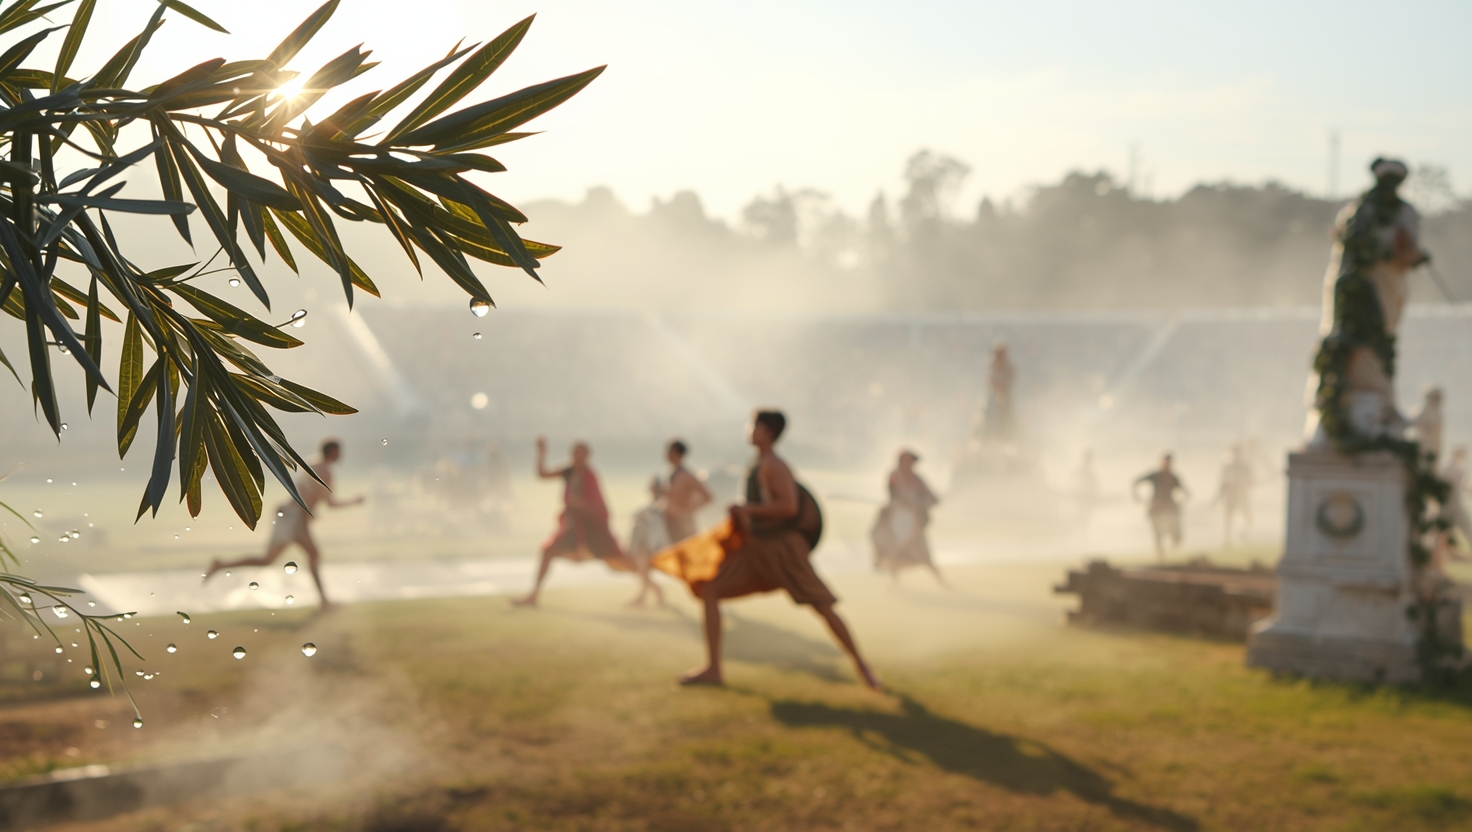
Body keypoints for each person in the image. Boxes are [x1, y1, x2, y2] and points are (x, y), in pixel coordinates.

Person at [674, 410, 880, 690]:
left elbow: (789, 507)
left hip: (783, 549)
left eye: (754, 426)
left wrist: (746, 508)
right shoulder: (758, 463)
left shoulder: (774, 465)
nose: (749, 430)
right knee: (711, 588)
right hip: (758, 548)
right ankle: (713, 668)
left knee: (822, 605)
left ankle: (862, 665)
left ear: (767, 432)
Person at [1308, 157, 1430, 443]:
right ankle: (1366, 396)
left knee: (1361, 335)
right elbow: (1405, 251)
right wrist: (1417, 256)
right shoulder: (1395, 211)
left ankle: (1358, 394)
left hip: (1361, 285)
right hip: (1373, 286)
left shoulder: (1357, 210)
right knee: (1372, 335)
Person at [204, 439, 364, 609]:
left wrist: (310, 510)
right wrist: (355, 501)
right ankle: (324, 602)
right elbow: (330, 504)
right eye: (339, 451)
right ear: (332, 452)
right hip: (294, 519)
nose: (341, 455)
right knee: (312, 555)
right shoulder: (325, 471)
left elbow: (307, 493)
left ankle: (221, 565)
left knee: (271, 560)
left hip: (290, 516)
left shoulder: (312, 463)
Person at [514, 437, 632, 607]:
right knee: (548, 551)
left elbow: (597, 506)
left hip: (591, 530)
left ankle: (647, 580)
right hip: (573, 528)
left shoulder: (589, 475)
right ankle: (533, 596)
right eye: (574, 452)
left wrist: (577, 503)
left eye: (580, 453)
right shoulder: (569, 471)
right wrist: (541, 453)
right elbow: (542, 474)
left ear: (587, 456)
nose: (576, 456)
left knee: (617, 561)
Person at [871, 450, 944, 586]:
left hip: (914, 522)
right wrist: (905, 503)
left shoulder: (917, 479)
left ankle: (941, 581)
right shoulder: (894, 476)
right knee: (892, 549)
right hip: (897, 519)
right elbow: (893, 497)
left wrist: (918, 504)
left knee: (922, 554)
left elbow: (933, 499)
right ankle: (894, 582)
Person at [625, 478, 672, 608]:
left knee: (643, 571)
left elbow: (654, 526)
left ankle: (655, 593)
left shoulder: (660, 505)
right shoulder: (650, 504)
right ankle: (646, 596)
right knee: (642, 571)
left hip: (650, 544)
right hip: (643, 542)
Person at [1133, 453, 1189, 560]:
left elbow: (1185, 491)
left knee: (1176, 534)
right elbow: (1136, 482)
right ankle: (1161, 557)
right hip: (1156, 509)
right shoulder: (1155, 476)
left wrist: (1183, 500)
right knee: (1158, 534)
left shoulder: (1173, 477)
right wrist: (1137, 497)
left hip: (1170, 509)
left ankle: (1171, 550)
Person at [661, 439, 712, 543]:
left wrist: (687, 510)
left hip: (682, 525)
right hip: (669, 521)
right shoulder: (669, 473)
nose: (666, 454)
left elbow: (707, 496)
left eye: (670, 451)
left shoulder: (687, 475)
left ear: (677, 454)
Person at [1435, 446, 1472, 569]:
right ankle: (1438, 563)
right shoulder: (1455, 469)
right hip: (1453, 506)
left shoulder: (1446, 469)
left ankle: (1438, 562)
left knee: (1441, 535)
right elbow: (1462, 486)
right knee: (1467, 531)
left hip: (1447, 506)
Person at [1216, 444, 1254, 548]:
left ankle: (1244, 534)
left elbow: (1249, 480)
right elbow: (1223, 481)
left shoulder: (1244, 465)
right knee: (1228, 519)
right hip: (1231, 494)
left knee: (1248, 517)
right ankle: (1227, 540)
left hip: (1241, 493)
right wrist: (1220, 494)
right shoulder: (1227, 464)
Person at [1410, 387, 1445, 462]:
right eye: (1434, 397)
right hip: (1422, 447)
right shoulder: (1423, 411)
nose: (1436, 399)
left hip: (1434, 447)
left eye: (1437, 397)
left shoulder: (1438, 413)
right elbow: (1413, 424)